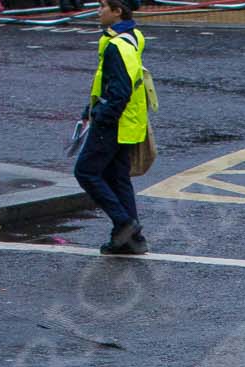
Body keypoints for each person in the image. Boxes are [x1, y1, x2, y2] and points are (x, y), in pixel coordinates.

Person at [75, 0, 150, 256]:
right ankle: (133, 240)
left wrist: (100, 115)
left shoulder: (116, 46)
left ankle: (124, 223)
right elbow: (107, 81)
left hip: (113, 123)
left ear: (117, 11)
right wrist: (89, 108)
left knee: (86, 172)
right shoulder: (133, 36)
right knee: (118, 178)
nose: (98, 11)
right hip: (129, 122)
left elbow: (120, 90)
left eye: (102, 6)